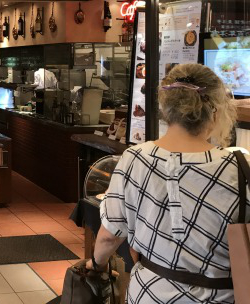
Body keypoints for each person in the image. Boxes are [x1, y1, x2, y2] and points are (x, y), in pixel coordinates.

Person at [89, 63, 250, 303]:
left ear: (166, 108)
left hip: (149, 294)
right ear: (216, 112)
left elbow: (109, 237)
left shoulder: (134, 159)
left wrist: (95, 264)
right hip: (223, 296)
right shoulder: (241, 166)